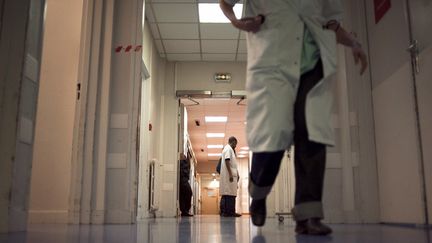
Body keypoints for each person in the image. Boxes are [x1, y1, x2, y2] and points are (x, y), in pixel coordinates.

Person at [220, 0, 368, 235]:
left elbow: (330, 22)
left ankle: (308, 215)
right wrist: (235, 20)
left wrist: (354, 43)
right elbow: (225, 2)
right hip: (272, 64)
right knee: (273, 136)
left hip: (313, 65)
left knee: (312, 135)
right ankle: (258, 193)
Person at [219, 136, 241, 217]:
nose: (236, 146)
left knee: (228, 194)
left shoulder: (229, 149)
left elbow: (233, 165)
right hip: (229, 176)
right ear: (233, 142)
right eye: (235, 144)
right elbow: (227, 160)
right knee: (230, 194)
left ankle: (227, 212)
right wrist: (231, 174)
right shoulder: (228, 149)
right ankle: (230, 212)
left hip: (230, 175)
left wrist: (236, 173)